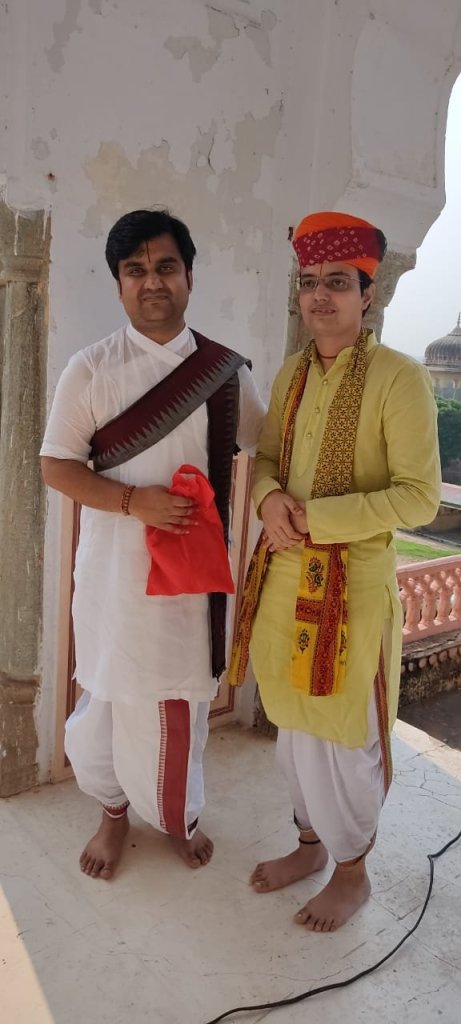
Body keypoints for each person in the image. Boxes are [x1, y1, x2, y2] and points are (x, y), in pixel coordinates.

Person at [229, 211, 441, 931]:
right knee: (294, 728)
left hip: (353, 589)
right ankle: (309, 845)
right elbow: (263, 459)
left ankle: (352, 872)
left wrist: (315, 517)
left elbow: (418, 497)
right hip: (284, 575)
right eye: (309, 282)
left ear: (367, 294)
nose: (320, 296)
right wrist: (268, 500)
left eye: (337, 283)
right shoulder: (291, 373)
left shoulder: (399, 379)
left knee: (345, 734)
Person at [41, 208, 265, 879]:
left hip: (187, 587)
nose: (152, 281)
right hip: (113, 579)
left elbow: (268, 447)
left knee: (176, 706)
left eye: (166, 266)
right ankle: (111, 813)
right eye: (134, 270)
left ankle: (175, 818)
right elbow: (56, 466)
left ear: (189, 276)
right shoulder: (91, 369)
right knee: (105, 700)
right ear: (119, 284)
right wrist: (134, 502)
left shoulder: (224, 373)